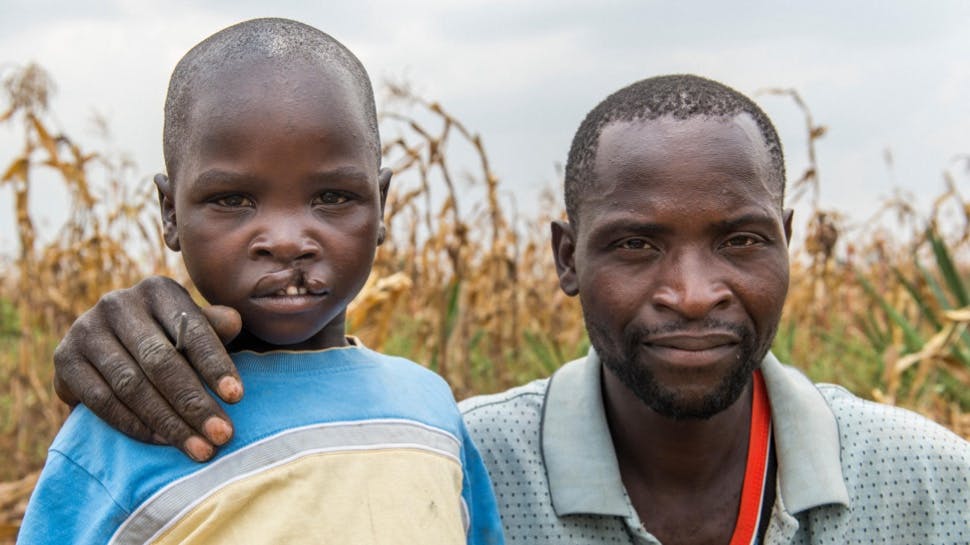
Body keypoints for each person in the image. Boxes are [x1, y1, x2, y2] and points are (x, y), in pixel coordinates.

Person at [50, 74, 969, 544]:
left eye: (740, 240)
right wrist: (133, 325)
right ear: (566, 257)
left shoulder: (931, 486)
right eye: (635, 244)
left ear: (788, 243)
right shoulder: (438, 455)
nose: (693, 292)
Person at [19, 18, 503, 545]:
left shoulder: (429, 407)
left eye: (333, 197)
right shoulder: (125, 427)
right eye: (232, 200)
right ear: (170, 213)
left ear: (381, 206)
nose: (288, 239)